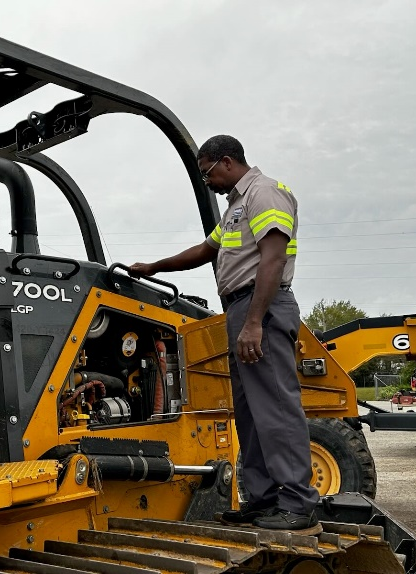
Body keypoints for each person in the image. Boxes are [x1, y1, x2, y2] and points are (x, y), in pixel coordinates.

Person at [130, 135, 320, 533]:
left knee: (277, 408)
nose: (208, 182)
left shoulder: (265, 193)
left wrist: (254, 321)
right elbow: (205, 251)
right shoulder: (235, 207)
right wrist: (154, 267)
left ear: (227, 162)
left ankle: (297, 504)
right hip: (240, 308)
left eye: (208, 174)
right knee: (250, 412)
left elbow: (274, 256)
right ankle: (264, 499)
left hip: (262, 308)